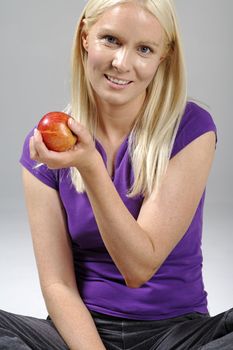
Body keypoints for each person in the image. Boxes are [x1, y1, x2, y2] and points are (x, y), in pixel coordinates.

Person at [0, 0, 232, 349]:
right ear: (85, 37)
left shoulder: (192, 128)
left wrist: (90, 166)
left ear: (163, 57)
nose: (122, 63)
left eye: (143, 49)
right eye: (110, 40)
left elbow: (139, 267)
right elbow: (58, 285)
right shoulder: (44, 149)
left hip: (178, 336)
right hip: (79, 336)